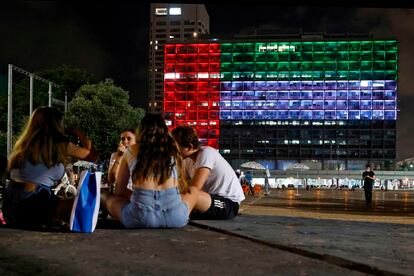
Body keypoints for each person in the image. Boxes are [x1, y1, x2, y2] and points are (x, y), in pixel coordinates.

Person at [2, 106, 98, 228]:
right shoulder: (59, 143)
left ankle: (48, 218)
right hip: (33, 204)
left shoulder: (23, 144)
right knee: (87, 205)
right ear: (57, 124)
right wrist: (78, 131)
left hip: (10, 207)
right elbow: (93, 157)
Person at [102, 113, 199, 228]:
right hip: (175, 218)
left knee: (105, 197)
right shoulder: (174, 149)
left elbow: (119, 191)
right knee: (194, 191)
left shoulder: (131, 151)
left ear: (141, 131)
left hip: (140, 218)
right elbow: (182, 186)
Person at [171, 126, 245, 220]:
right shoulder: (187, 161)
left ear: (189, 147)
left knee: (193, 194)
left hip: (228, 203)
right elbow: (181, 185)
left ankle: (177, 218)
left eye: (175, 148)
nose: (173, 152)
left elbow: (194, 188)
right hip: (208, 201)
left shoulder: (206, 153)